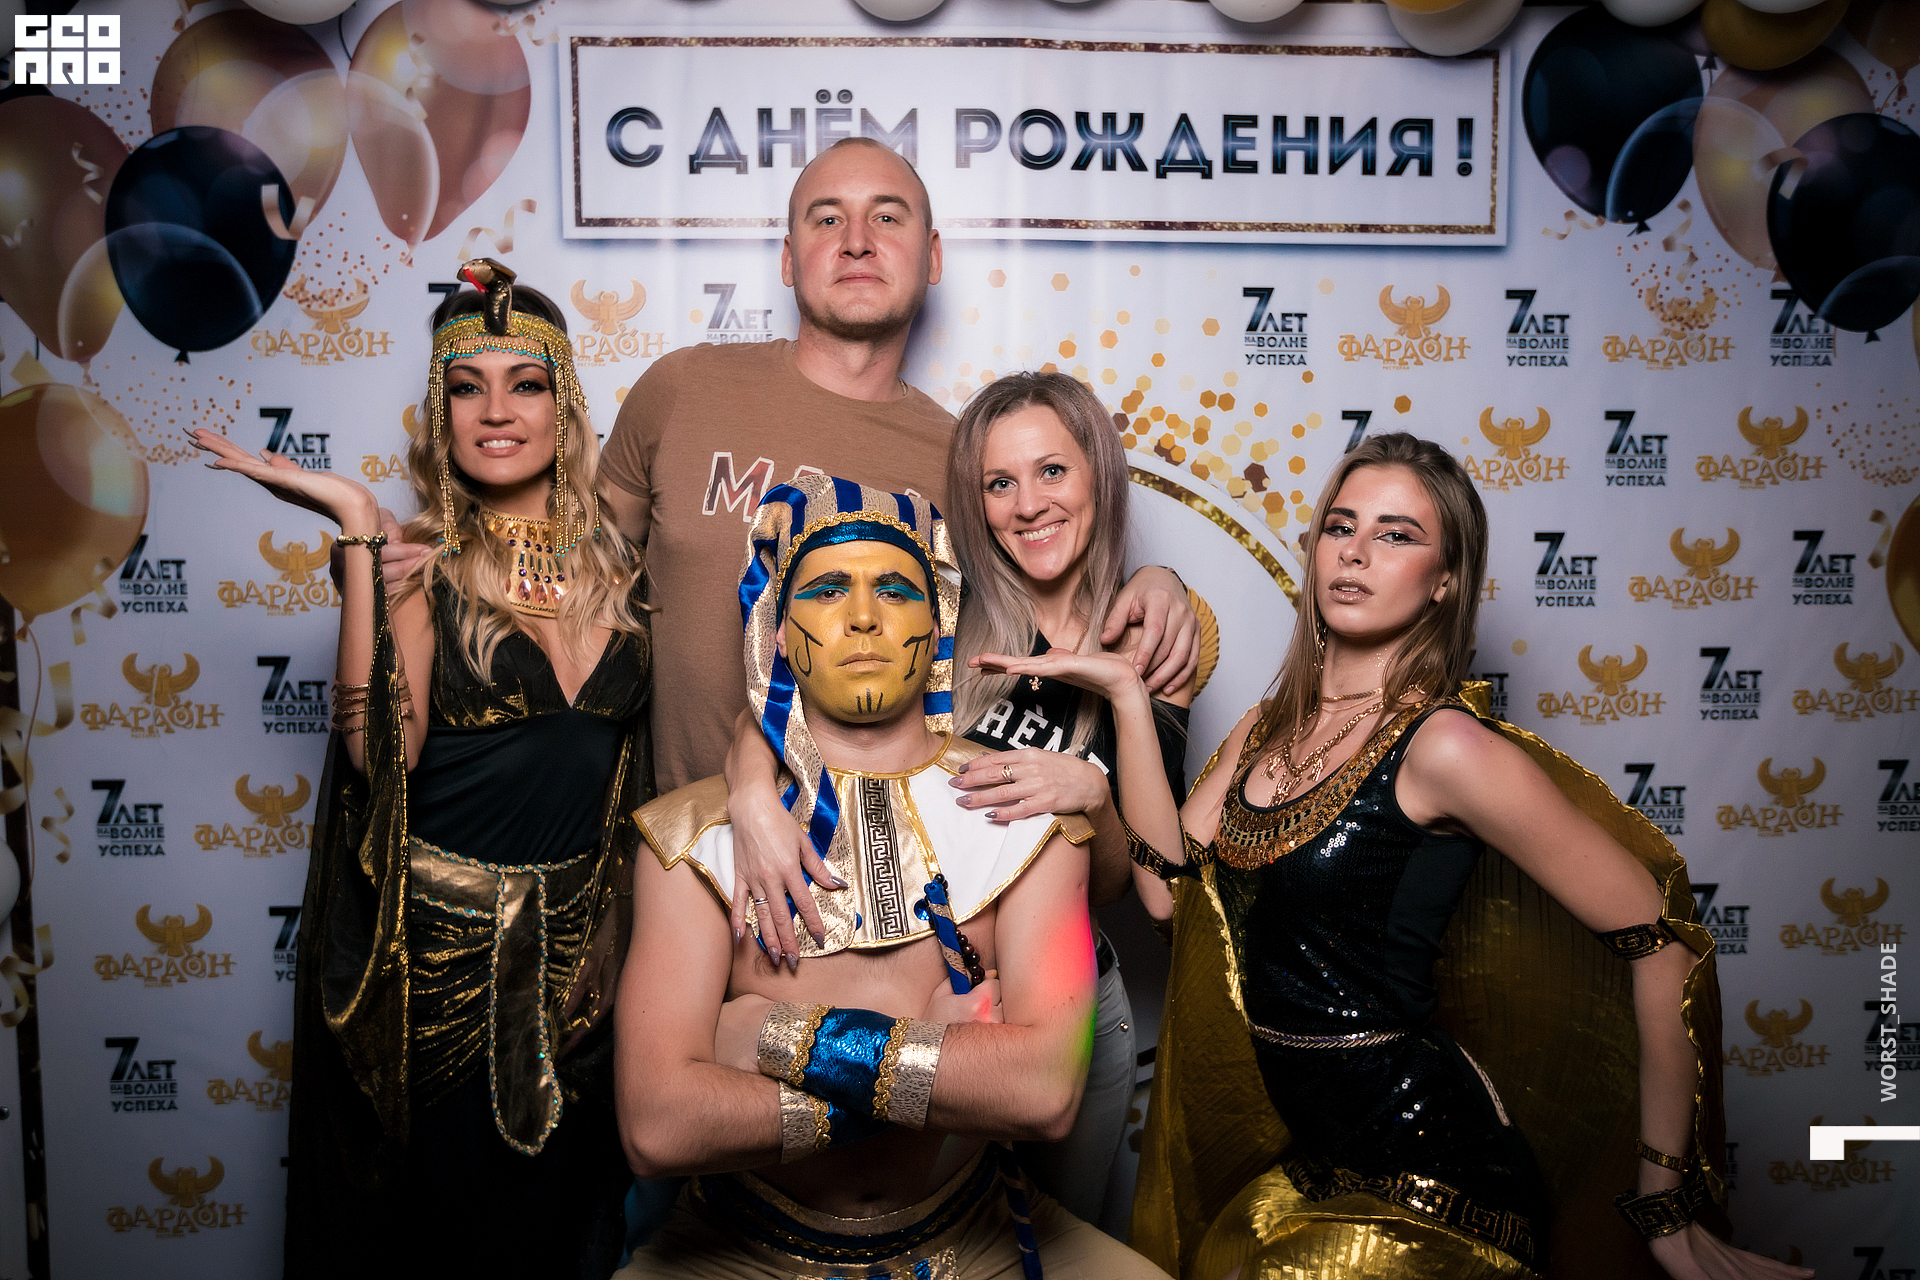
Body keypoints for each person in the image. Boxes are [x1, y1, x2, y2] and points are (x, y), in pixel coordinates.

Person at [977, 434, 1812, 1280]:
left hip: (1438, 1182)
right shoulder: (1269, 728)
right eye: (1341, 527)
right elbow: (1169, 898)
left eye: (1397, 535)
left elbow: (1662, 941)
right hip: (1309, 1173)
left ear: (1444, 579)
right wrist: (1127, 696)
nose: (1356, 552)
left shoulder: (1444, 746)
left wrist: (1665, 1207)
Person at [376, 137, 1200, 819]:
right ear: (786, 257)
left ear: (932, 256)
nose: (857, 240)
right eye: (826, 217)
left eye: (888, 217)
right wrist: (449, 561)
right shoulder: (684, 387)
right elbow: (575, 559)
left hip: (865, 869)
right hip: (663, 840)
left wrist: (1156, 582)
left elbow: (1047, 586)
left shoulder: (961, 459)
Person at [193, 260, 649, 1277]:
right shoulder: (418, 560)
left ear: (566, 405)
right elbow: (377, 754)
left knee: (574, 1231)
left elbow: (635, 771)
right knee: (446, 1237)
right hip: (443, 969)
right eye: (465, 387)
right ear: (440, 411)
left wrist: (619, 924)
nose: (496, 411)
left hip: (583, 965)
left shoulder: (619, 568)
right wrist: (360, 530)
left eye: (525, 384)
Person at [612, 475, 1171, 1280]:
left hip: (976, 1235)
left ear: (936, 622)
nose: (865, 616)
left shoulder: (1027, 808)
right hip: (742, 1250)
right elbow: (659, 1128)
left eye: (897, 590)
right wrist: (943, 1062)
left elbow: (1043, 1095)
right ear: (778, 630)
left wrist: (773, 1038)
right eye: (828, 589)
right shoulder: (688, 840)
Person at [725, 371, 1195, 1224]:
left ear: (1099, 473)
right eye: (999, 483)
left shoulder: (1150, 637)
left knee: (1058, 1245)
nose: (1029, 504)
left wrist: (1097, 783)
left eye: (1052, 471)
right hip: (927, 995)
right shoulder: (941, 609)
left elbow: (1150, 896)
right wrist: (751, 791)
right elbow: (781, 696)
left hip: (1071, 1009)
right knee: (919, 1238)